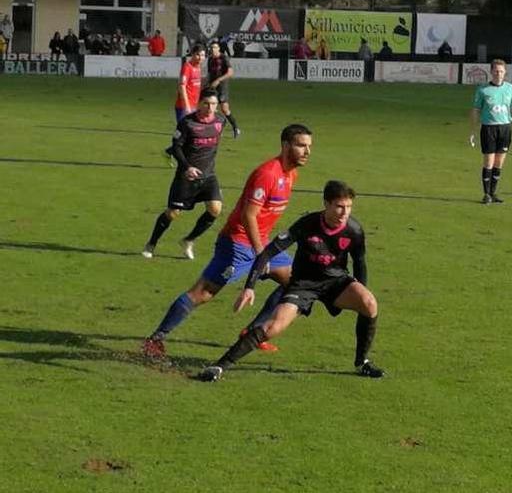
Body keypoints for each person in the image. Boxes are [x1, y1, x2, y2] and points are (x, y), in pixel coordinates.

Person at [142, 124, 312, 359]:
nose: (307, 151)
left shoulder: (291, 173)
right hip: (239, 244)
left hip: (261, 243)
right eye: (301, 145)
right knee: (202, 294)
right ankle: (155, 339)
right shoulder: (268, 173)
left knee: (298, 284)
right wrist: (261, 252)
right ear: (285, 145)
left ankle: (254, 332)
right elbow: (248, 215)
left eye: (309, 146)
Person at [197, 180, 385, 382]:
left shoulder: (354, 230)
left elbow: (360, 263)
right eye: (339, 206)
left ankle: (362, 362)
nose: (344, 213)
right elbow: (267, 253)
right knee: (272, 327)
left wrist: (359, 289)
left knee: (369, 303)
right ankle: (219, 366)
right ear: (326, 204)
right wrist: (249, 287)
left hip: (335, 282)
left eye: (348, 207)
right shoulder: (306, 225)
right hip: (303, 285)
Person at [144, 88, 227, 260]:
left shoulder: (220, 121)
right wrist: (187, 167)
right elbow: (176, 147)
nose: (210, 108)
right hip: (186, 177)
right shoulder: (187, 123)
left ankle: (189, 240)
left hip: (208, 175)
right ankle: (151, 243)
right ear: (199, 103)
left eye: (213, 104)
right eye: (206, 103)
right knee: (173, 213)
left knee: (215, 209)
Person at [469, 59, 512, 204]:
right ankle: (486, 194)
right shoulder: (483, 89)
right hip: (489, 128)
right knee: (488, 162)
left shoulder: (510, 88)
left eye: (501, 71)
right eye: (496, 71)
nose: (498, 74)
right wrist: (473, 131)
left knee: (499, 163)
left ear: (505, 72)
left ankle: (493, 193)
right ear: (491, 72)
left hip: (505, 128)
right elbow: (476, 110)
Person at [207, 40, 241, 138]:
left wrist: (218, 80)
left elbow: (230, 73)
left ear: (218, 49)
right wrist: (206, 84)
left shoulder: (224, 58)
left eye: (214, 47)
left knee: (225, 110)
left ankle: (235, 127)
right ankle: (215, 128)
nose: (212, 49)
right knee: (211, 108)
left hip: (222, 87)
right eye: (211, 48)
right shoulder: (210, 59)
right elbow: (209, 74)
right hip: (212, 87)